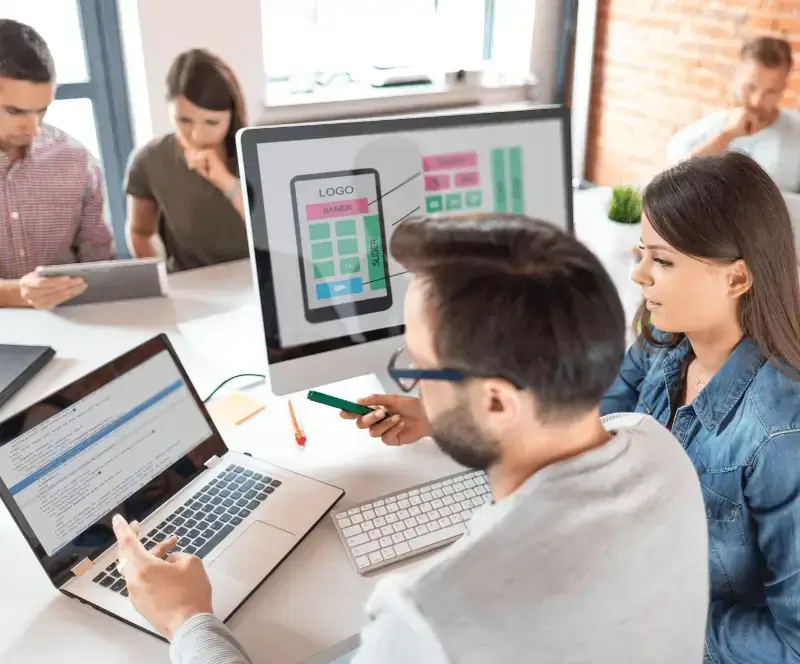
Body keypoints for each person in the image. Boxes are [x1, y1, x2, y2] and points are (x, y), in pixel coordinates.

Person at [111, 213, 709, 663]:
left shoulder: (429, 616)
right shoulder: (659, 449)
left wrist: (187, 619)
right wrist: (445, 414)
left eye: (419, 369)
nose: (415, 387)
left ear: (497, 400)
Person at [356, 154, 800, 662]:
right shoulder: (665, 350)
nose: (638, 276)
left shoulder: (780, 436)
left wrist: (649, 610)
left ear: (737, 279)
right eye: (639, 253)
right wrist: (441, 412)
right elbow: (571, 414)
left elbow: (793, 643)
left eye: (662, 260)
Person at [0, 19, 114, 309]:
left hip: (73, 328)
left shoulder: (76, 161)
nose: (33, 128)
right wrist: (16, 294)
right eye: (15, 111)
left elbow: (98, 261)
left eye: (42, 110)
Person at [124, 49, 250, 272]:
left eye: (212, 123)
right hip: (192, 290)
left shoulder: (256, 152)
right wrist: (163, 280)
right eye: (184, 120)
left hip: (257, 283)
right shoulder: (149, 160)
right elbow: (140, 232)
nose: (197, 135)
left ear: (232, 115)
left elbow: (275, 234)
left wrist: (225, 181)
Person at [667, 36, 800, 192]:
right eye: (751, 87)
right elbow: (675, 182)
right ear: (737, 77)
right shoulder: (703, 132)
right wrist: (727, 135)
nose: (757, 101)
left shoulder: (796, 130)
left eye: (771, 92)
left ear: (784, 87)